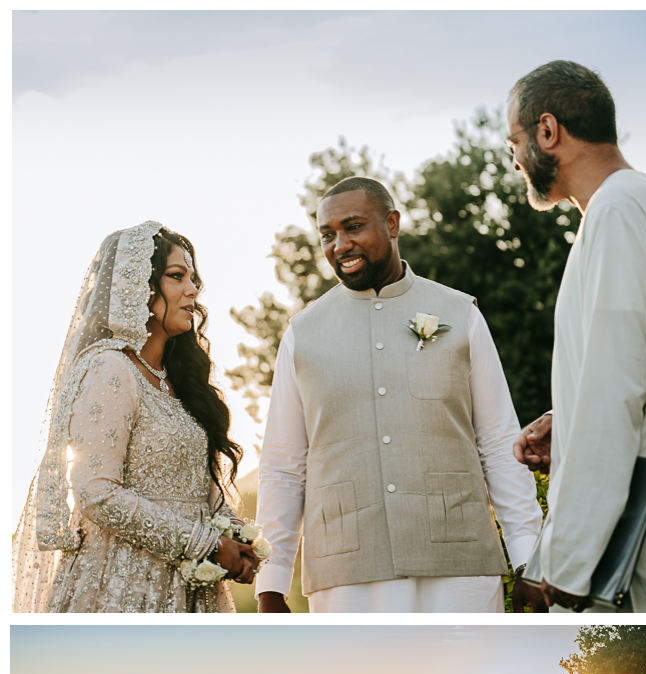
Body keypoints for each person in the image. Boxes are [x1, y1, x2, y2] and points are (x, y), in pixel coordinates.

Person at [254, 175, 542, 615]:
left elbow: (501, 443)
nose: (340, 245)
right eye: (327, 235)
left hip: (459, 566)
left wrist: (529, 556)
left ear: (392, 223)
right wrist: (270, 582)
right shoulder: (301, 335)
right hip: (346, 573)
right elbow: (282, 466)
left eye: (353, 227)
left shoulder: (460, 314)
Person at [508, 61, 646, 614]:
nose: (516, 161)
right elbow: (644, 373)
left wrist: (564, 560)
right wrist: (568, 421)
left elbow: (614, 389)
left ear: (549, 132)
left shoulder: (618, 212)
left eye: (515, 143)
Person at [13, 221, 259, 614]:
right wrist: (206, 544)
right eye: (177, 276)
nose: (193, 291)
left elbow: (195, 486)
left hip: (190, 589)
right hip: (121, 582)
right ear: (137, 288)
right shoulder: (111, 369)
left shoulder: (181, 383)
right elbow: (95, 491)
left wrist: (234, 535)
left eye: (193, 279)